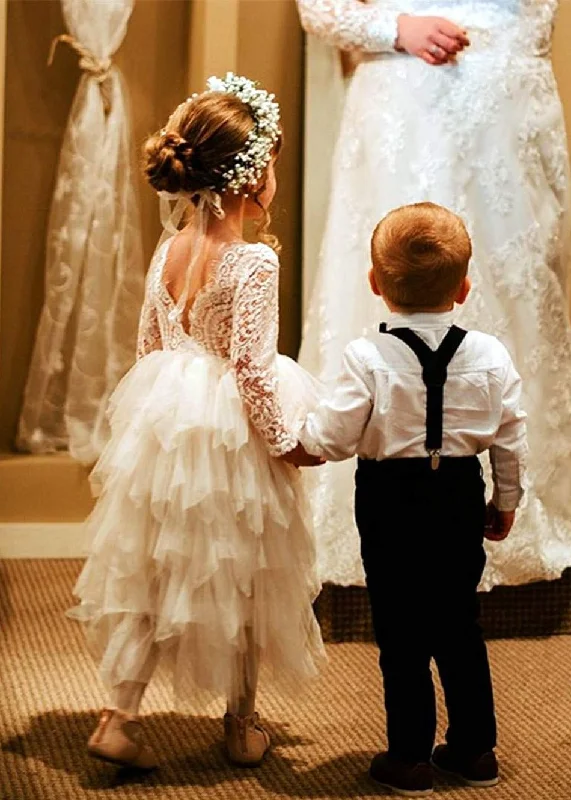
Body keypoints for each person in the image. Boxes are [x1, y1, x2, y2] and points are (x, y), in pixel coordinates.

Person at [68, 73, 325, 770]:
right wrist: (286, 442)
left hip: (165, 420)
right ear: (250, 178)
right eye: (270, 161)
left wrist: (156, 412)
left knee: (153, 571)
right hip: (229, 432)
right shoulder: (252, 263)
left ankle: (118, 717)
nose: (274, 174)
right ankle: (241, 725)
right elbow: (251, 367)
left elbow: (149, 344)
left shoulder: (170, 248)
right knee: (243, 568)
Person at [296, 0, 571, 591]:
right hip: (409, 102)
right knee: (407, 270)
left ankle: (521, 501)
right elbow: (318, 8)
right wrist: (395, 27)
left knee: (523, 294)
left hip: (512, 113)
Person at [297, 203, 528, 796]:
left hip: (389, 501)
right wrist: (506, 500)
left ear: (377, 285)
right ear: (464, 287)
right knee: (458, 623)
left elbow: (335, 435)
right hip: (459, 494)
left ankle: (410, 758)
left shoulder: (366, 357)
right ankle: (476, 751)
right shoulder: (492, 356)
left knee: (400, 630)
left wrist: (299, 443)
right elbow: (510, 435)